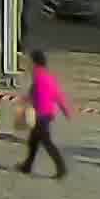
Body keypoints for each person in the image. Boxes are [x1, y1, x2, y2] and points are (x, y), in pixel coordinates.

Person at [21, 49, 70, 177]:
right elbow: (57, 94)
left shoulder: (38, 76)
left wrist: (26, 102)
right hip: (46, 114)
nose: (28, 64)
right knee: (33, 141)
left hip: (41, 114)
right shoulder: (47, 76)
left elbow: (35, 94)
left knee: (46, 142)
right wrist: (65, 110)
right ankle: (27, 165)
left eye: (30, 61)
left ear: (34, 62)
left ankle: (61, 167)